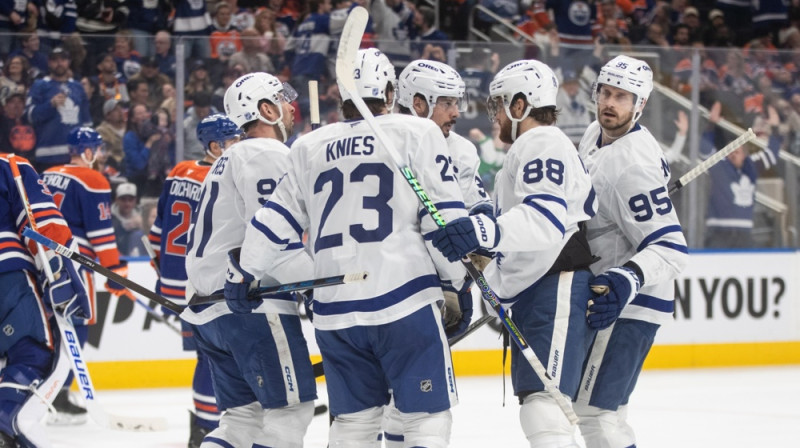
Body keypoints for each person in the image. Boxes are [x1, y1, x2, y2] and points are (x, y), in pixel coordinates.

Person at [227, 48, 466, 448]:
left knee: (353, 425)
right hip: (403, 301)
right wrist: (456, 281)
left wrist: (244, 274)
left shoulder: (308, 146)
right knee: (426, 419)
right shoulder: (416, 132)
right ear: (390, 93)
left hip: (336, 312)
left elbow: (273, 222)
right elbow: (445, 224)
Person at [430, 59, 598, 447]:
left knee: (546, 412)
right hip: (540, 290)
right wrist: (486, 279)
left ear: (519, 106)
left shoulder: (540, 142)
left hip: (555, 286)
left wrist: (480, 230)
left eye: (499, 104)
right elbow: (520, 238)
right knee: (540, 408)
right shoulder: (532, 146)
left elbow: (544, 219)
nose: (495, 116)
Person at [182, 72, 317, 448]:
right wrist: (320, 290)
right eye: (281, 100)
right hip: (252, 305)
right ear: (266, 109)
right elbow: (271, 239)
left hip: (210, 309)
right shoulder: (266, 152)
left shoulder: (227, 159)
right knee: (290, 414)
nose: (291, 108)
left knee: (242, 421)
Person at [575, 55, 689, 448]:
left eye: (621, 97)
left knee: (597, 416)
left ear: (640, 104)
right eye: (605, 92)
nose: (609, 103)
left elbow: (671, 247)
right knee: (600, 413)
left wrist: (628, 277)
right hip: (608, 295)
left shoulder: (633, 164)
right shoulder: (593, 133)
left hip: (630, 304)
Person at [149, 114, 241, 447]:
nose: (238, 145)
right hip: (202, 285)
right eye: (232, 140)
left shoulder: (177, 173)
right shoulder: (221, 176)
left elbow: (156, 231)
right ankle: (207, 426)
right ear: (215, 146)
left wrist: (163, 278)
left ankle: (207, 424)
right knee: (217, 355)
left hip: (174, 283)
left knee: (209, 355)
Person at [41, 127, 130, 425]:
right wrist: (114, 269)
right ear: (88, 151)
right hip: (74, 264)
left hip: (42, 263)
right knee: (76, 328)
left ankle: (43, 389)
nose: (101, 155)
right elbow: (101, 233)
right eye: (98, 149)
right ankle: (58, 394)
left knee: (50, 328)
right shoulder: (92, 178)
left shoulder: (48, 174)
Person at [0, 153, 89, 446]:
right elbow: (44, 225)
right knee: (32, 355)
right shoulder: (10, 165)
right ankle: (5, 424)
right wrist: (63, 276)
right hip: (6, 275)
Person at [702, 101, 782, 248]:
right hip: (719, 231)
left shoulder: (752, 166)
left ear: (744, 154)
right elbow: (704, 148)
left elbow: (772, 152)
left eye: (736, 152)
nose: (732, 154)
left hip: (744, 232)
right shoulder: (720, 165)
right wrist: (711, 124)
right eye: (730, 151)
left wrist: (775, 127)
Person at [25, 47, 92, 172]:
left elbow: (86, 123)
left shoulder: (77, 87)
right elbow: (29, 116)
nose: (59, 63)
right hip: (48, 155)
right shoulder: (40, 85)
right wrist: (50, 105)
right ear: (49, 62)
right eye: (55, 60)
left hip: (76, 155)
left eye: (63, 59)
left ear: (69, 62)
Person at [111, 182, 145, 256]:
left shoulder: (143, 217)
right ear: (117, 199)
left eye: (130, 200)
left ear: (135, 200)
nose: (127, 203)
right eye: (123, 199)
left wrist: (143, 227)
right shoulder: (109, 219)